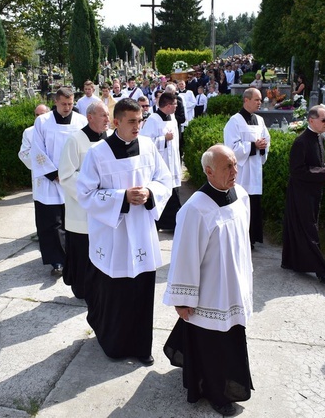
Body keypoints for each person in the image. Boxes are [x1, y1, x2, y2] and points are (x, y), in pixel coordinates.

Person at [76, 98, 172, 366]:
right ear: (116, 122)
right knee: (115, 294)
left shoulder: (148, 147)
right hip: (113, 235)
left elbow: (164, 180)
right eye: (132, 121)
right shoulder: (98, 153)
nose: (138, 126)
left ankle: (142, 347)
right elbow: (85, 193)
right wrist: (122, 197)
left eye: (140, 120)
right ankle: (114, 344)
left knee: (141, 292)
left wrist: (150, 192)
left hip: (141, 231)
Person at [163, 144, 254, 417]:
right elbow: (184, 256)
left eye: (236, 165)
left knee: (231, 336)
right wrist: (182, 299)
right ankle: (216, 393)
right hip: (210, 292)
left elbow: (242, 241)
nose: (235, 171)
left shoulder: (240, 195)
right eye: (228, 166)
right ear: (209, 171)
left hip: (233, 285)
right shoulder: (196, 209)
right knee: (212, 344)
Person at [31, 87, 88, 277]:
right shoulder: (43, 122)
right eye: (63, 104)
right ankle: (57, 260)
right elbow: (37, 149)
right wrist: (55, 174)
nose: (67, 107)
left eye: (70, 104)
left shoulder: (81, 121)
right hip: (50, 181)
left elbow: (86, 148)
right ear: (55, 102)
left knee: (73, 220)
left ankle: (74, 257)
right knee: (52, 223)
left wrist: (72, 175)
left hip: (74, 179)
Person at [281, 105, 325, 284]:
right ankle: (323, 272)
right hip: (301, 193)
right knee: (309, 231)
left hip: (313, 192)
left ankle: (291, 261)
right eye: (324, 120)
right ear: (311, 120)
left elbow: (316, 162)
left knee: (300, 228)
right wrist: (323, 173)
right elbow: (297, 171)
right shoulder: (300, 142)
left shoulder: (319, 138)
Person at [58, 101, 110, 299]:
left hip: (105, 208)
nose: (107, 119)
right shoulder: (75, 140)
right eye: (103, 115)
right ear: (90, 117)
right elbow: (66, 175)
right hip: (82, 212)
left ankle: (101, 289)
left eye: (107, 115)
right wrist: (92, 189)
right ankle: (82, 290)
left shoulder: (111, 138)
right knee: (83, 254)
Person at [223, 88, 270, 247]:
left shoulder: (260, 120)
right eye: (257, 100)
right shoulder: (234, 121)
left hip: (255, 169)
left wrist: (262, 146)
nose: (260, 103)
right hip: (242, 171)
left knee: (254, 203)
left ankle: (252, 237)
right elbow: (231, 147)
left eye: (260, 100)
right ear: (246, 100)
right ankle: (240, 238)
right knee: (241, 203)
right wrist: (253, 145)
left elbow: (266, 139)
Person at [140, 92, 182, 231]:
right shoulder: (153, 120)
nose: (176, 107)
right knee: (167, 193)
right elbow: (145, 142)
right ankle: (170, 223)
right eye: (175, 104)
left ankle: (169, 223)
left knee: (173, 191)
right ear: (168, 105)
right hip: (161, 163)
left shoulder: (173, 118)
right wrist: (164, 139)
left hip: (173, 162)